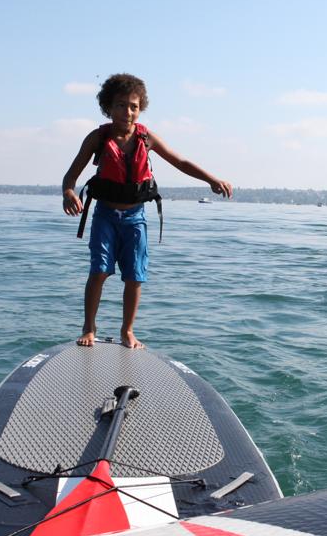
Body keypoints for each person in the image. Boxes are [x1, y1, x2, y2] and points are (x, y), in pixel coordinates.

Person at [62, 73, 232, 349]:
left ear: (140, 108)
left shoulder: (146, 137)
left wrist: (211, 179)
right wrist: (68, 192)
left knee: (135, 276)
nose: (127, 112)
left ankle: (127, 331)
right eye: (120, 105)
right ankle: (89, 327)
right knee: (99, 271)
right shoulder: (97, 138)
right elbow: (70, 176)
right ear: (108, 107)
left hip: (135, 218)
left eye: (133, 106)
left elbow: (180, 161)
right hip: (105, 215)